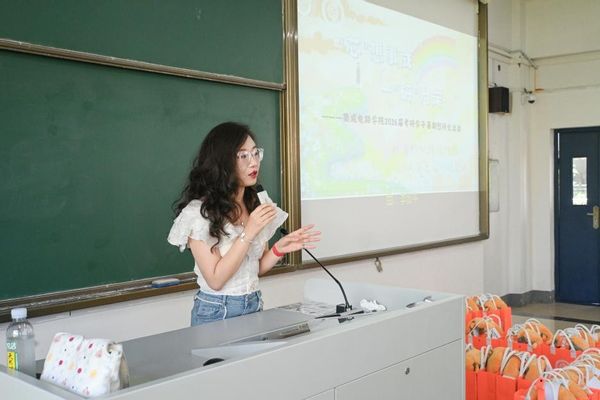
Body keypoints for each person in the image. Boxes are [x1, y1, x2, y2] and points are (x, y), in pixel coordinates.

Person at [168, 122, 320, 326]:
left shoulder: (255, 203)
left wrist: (278, 249)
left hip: (254, 304)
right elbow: (216, 280)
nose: (254, 162)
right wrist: (249, 232)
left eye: (256, 153)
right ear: (223, 161)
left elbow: (254, 269)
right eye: (243, 156)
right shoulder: (199, 213)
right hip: (217, 310)